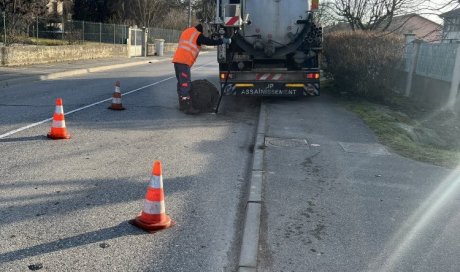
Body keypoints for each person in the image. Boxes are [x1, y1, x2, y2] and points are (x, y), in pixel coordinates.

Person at [172, 23, 231, 114]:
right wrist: (221, 41)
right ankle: (187, 107)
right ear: (200, 31)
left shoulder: (186, 31)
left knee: (181, 83)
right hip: (184, 62)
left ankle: (182, 105)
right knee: (185, 85)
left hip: (177, 61)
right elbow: (208, 41)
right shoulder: (197, 34)